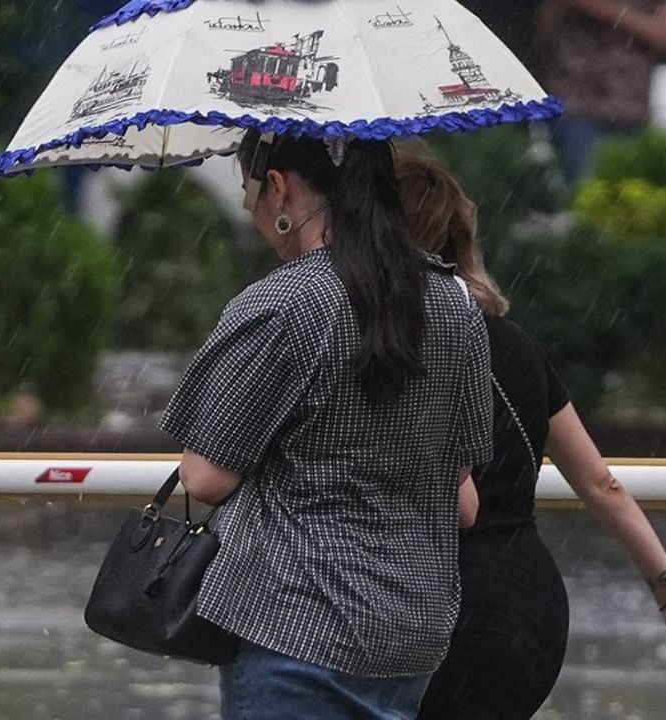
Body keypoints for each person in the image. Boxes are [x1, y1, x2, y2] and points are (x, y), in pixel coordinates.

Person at [395, 154, 666, 719]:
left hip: (434, 603)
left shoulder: (383, 345)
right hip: (529, 605)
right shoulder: (514, 345)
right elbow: (600, 483)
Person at [159, 131, 494, 720]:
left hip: (296, 622)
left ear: (280, 190)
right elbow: (461, 489)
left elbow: (205, 479)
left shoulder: (282, 303)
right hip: (413, 627)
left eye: (250, 192)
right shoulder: (452, 302)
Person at [536, 0, 666, 185]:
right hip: (576, 109)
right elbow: (542, 35)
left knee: (635, 199)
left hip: (631, 111)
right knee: (588, 196)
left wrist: (609, 11)